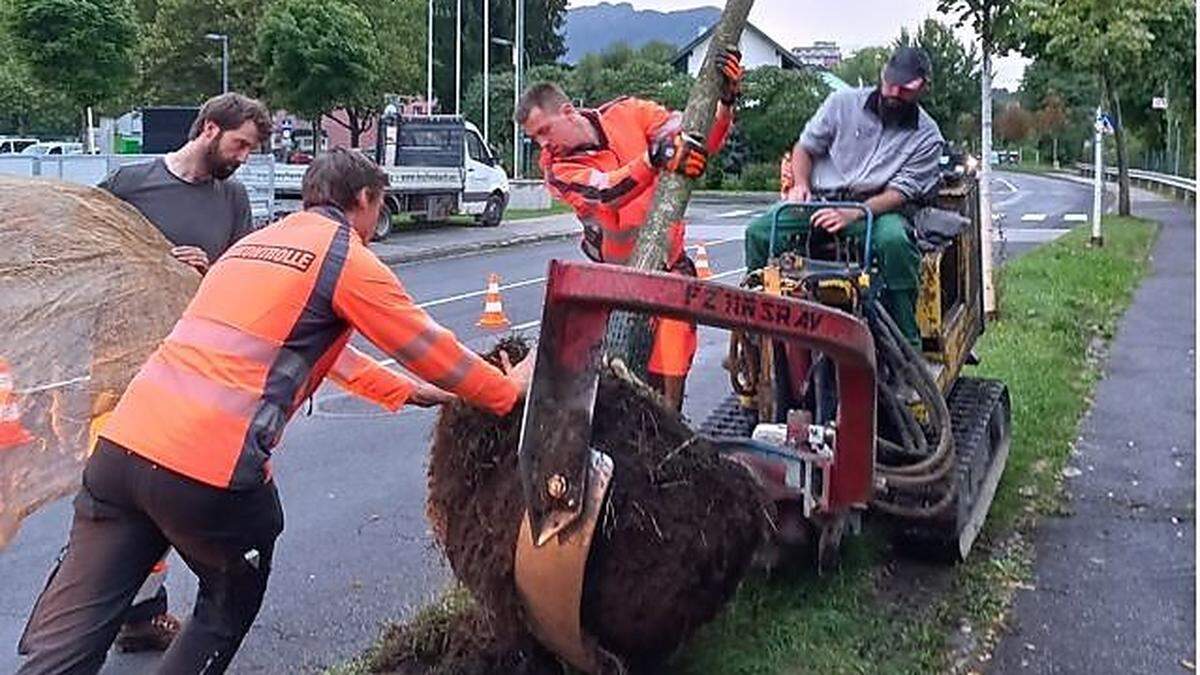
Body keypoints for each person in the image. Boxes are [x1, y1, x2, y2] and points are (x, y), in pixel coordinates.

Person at [16, 148, 534, 675]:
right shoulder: (346, 259)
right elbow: (427, 346)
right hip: (209, 476)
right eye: (380, 207)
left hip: (121, 454)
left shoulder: (252, 247)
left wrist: (405, 392)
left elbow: (313, 349)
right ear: (363, 199)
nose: (380, 221)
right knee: (225, 603)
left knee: (71, 634)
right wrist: (503, 391)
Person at [94, 92, 274, 651]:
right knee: (117, 494)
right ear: (210, 128)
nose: (244, 156)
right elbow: (93, 251)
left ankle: (141, 613)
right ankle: (123, 611)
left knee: (169, 488)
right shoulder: (131, 183)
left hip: (194, 365)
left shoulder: (233, 198)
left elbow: (246, 276)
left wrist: (210, 267)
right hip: (124, 360)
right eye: (240, 143)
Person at [516, 47, 743, 409]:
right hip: (619, 285)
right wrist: (656, 157)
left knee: (671, 361)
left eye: (544, 131)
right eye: (535, 138)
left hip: (668, 269)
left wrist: (725, 103)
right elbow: (606, 192)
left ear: (568, 112)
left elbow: (691, 135)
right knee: (621, 383)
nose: (543, 144)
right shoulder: (557, 172)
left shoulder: (629, 113)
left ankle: (671, 426)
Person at [744, 46, 945, 348]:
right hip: (820, 202)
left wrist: (857, 213)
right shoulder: (842, 104)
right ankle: (755, 335)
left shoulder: (928, 137)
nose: (893, 93)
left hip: (874, 210)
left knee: (895, 243)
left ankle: (906, 342)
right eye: (889, 83)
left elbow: (900, 192)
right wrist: (800, 185)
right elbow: (805, 148)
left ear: (923, 88)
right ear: (882, 75)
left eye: (905, 89)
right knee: (759, 233)